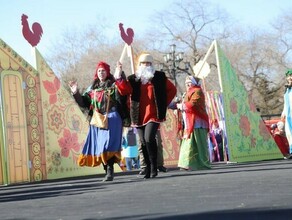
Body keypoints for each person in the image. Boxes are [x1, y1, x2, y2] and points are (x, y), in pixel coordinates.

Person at [114, 53, 177, 179]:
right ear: (139, 65)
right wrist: (119, 75)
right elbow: (124, 90)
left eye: (148, 63)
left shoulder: (159, 76)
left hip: (154, 114)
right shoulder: (133, 79)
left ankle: (154, 166)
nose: (146, 65)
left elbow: (172, 90)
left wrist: (163, 103)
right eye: (143, 63)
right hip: (139, 115)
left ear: (152, 64)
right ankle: (147, 167)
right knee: (142, 142)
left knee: (149, 138)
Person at [69, 61, 128, 181]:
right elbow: (84, 103)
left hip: (112, 118)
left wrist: (120, 75)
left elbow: (124, 91)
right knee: (101, 146)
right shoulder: (93, 88)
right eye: (99, 71)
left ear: (107, 72)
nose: (101, 73)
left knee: (108, 144)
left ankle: (110, 171)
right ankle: (107, 171)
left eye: (103, 70)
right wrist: (76, 93)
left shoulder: (113, 84)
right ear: (97, 73)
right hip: (98, 119)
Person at [175, 75, 211, 170]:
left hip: (197, 121)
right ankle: (186, 163)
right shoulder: (188, 92)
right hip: (189, 122)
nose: (187, 84)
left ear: (194, 83)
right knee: (188, 142)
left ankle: (201, 163)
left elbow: (192, 104)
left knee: (198, 142)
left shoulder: (197, 91)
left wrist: (181, 106)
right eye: (186, 83)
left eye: (189, 82)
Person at [281, 69, 292, 159]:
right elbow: (286, 103)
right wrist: (284, 112)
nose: (290, 77)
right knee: (289, 133)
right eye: (289, 76)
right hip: (288, 114)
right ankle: (291, 151)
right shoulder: (287, 89)